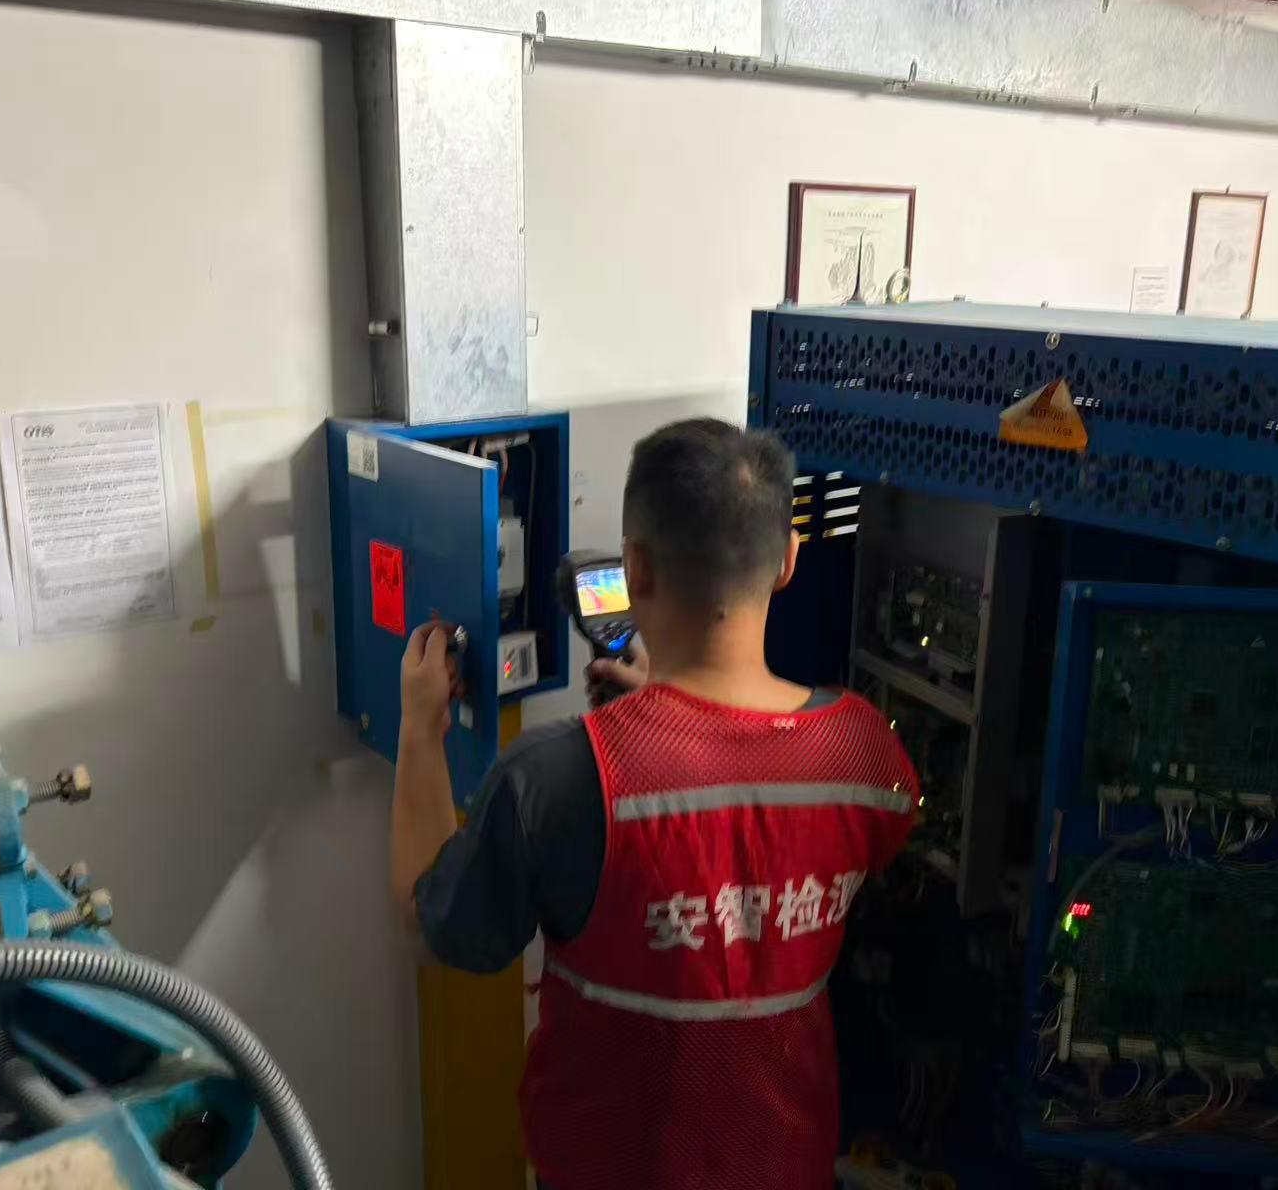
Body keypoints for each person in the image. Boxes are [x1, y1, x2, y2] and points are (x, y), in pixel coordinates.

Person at [390, 418, 919, 1190]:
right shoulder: (863, 752)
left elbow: (432, 927)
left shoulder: (556, 778)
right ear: (787, 561)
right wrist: (680, 720)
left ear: (634, 568)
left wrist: (417, 728)